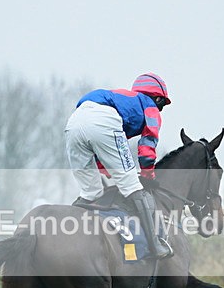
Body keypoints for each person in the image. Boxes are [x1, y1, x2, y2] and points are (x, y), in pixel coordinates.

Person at [65, 72, 173, 259]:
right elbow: (148, 145)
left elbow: (100, 147)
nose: (160, 110)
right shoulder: (149, 106)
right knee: (133, 187)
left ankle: (65, 230)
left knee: (90, 193)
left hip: (74, 122)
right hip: (103, 120)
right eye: (162, 104)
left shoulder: (123, 100)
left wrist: (107, 169)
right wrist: (148, 176)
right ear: (157, 98)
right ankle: (156, 245)